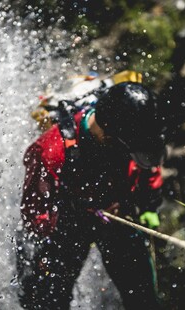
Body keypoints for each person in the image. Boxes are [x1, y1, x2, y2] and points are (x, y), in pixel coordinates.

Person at [16, 81, 167, 310]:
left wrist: (148, 206)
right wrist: (65, 223)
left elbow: (147, 166)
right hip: (66, 225)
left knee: (143, 298)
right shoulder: (51, 151)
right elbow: (35, 211)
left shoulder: (134, 136)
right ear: (107, 134)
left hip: (118, 216)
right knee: (49, 300)